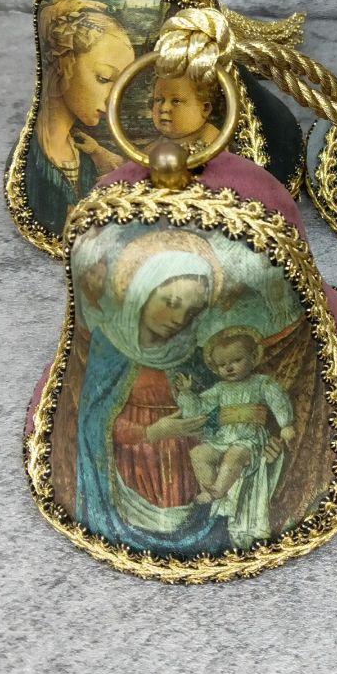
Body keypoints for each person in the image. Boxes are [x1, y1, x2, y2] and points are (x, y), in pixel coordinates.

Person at [72, 237, 225, 556]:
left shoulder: (193, 356)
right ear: (143, 291)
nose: (179, 319)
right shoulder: (109, 348)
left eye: (192, 311)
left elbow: (217, 413)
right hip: (130, 480)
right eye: (171, 302)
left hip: (189, 482)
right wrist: (151, 432)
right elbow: (93, 421)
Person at [176, 327, 295, 549]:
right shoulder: (220, 389)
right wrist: (186, 393)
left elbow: (278, 401)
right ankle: (211, 491)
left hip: (250, 439)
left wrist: (286, 424)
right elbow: (198, 408)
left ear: (253, 358)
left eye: (236, 360)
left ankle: (218, 492)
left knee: (235, 454)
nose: (229, 368)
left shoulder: (262, 383)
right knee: (199, 453)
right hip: (224, 437)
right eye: (222, 365)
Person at [27, 0, 134, 234]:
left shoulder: (84, 154)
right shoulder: (36, 157)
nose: (114, 98)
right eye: (104, 78)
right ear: (64, 64)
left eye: (121, 85)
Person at [151, 73, 220, 152]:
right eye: (158, 100)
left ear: (205, 109)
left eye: (176, 101)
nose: (164, 108)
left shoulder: (214, 143)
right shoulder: (151, 148)